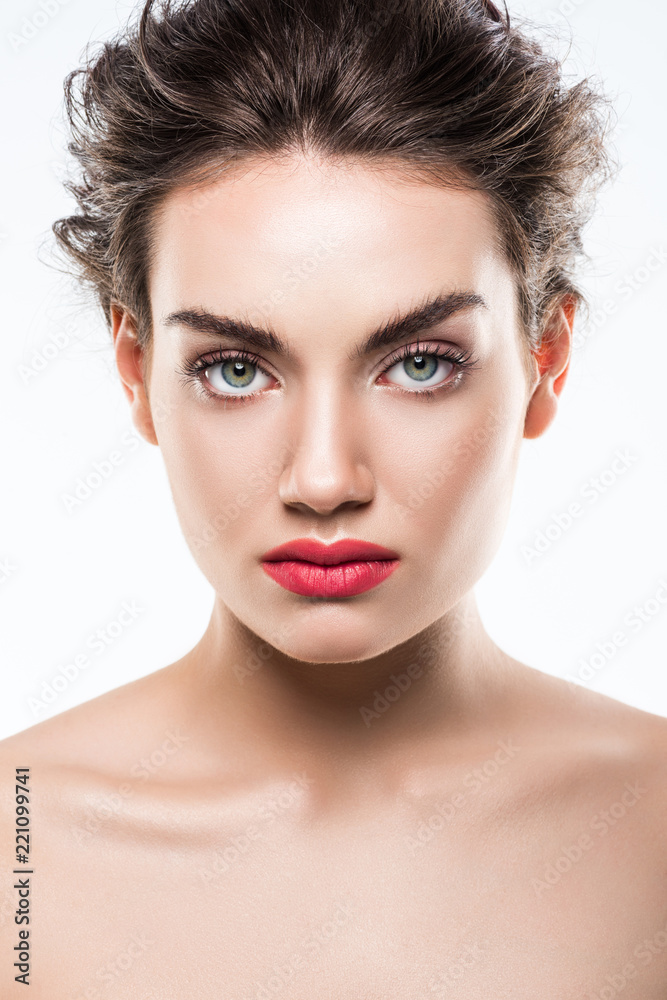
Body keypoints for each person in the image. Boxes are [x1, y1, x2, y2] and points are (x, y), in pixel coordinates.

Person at [2, 0, 666, 995]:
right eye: (234, 369)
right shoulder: (18, 852)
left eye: (418, 364)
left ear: (545, 361)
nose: (322, 480)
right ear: (136, 370)